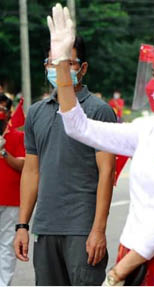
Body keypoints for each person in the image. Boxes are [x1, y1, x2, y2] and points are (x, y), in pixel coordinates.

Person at [43, 4, 154, 286]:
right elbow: (79, 126)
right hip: (130, 255)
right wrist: (62, 65)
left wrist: (118, 273)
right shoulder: (148, 129)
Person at [13, 34, 117, 285]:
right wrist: (22, 226)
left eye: (67, 63)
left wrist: (98, 230)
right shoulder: (37, 112)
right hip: (45, 227)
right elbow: (31, 171)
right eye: (53, 62)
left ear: (82, 68)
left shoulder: (98, 111)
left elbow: (107, 172)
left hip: (82, 230)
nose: (58, 68)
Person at [0, 94, 25, 286]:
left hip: (11, 201)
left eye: (2, 110)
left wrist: (3, 151)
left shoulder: (18, 137)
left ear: (9, 113)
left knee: (6, 247)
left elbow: (22, 166)